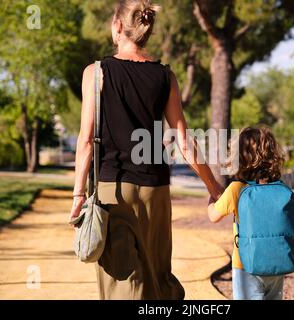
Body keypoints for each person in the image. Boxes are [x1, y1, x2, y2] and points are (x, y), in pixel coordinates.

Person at [69, 0, 223, 300]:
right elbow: (184, 141)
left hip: (113, 190)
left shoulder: (96, 73)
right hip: (156, 189)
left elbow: (85, 140)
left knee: (121, 279)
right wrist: (213, 185)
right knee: (157, 274)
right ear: (145, 30)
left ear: (117, 27)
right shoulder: (165, 76)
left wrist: (78, 195)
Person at [207, 127, 294, 300]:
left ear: (237, 158)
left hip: (246, 266)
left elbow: (213, 216)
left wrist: (212, 200)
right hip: (277, 264)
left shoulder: (237, 189)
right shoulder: (281, 190)